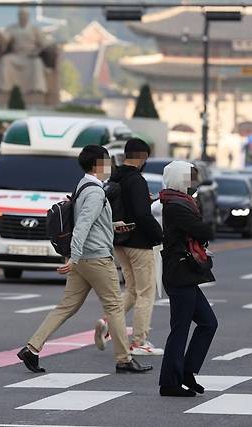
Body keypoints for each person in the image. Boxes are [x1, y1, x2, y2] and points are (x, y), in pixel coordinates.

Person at [17, 145, 152, 374]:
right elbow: (82, 226)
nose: (110, 166)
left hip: (84, 259)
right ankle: (123, 359)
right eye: (107, 162)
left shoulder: (83, 185)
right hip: (96, 258)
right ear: (99, 164)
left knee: (66, 307)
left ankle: (32, 348)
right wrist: (73, 257)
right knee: (114, 307)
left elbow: (88, 222)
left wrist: (112, 227)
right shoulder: (95, 192)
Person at [95, 138, 163, 356]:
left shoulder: (116, 178)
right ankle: (139, 341)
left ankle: (108, 321)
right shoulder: (137, 180)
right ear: (143, 157)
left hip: (119, 242)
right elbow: (143, 215)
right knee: (146, 292)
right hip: (139, 243)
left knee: (132, 290)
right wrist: (159, 236)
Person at [158, 161, 218, 397]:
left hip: (185, 274)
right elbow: (205, 231)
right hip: (179, 272)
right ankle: (169, 383)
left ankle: (186, 372)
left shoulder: (180, 202)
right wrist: (202, 227)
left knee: (208, 323)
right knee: (180, 329)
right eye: (190, 178)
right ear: (178, 179)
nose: (194, 183)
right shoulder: (175, 206)